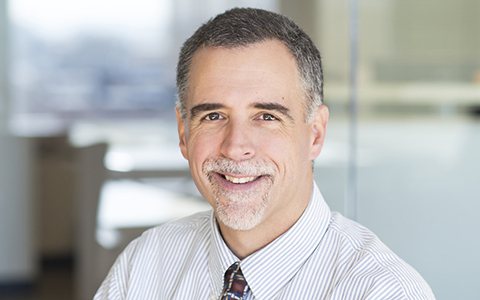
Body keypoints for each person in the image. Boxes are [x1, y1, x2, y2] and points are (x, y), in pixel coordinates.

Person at [94, 8, 435, 299]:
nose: (235, 146)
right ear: (183, 133)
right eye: (213, 116)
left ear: (315, 133)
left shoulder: (382, 290)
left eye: (267, 116)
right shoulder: (143, 266)